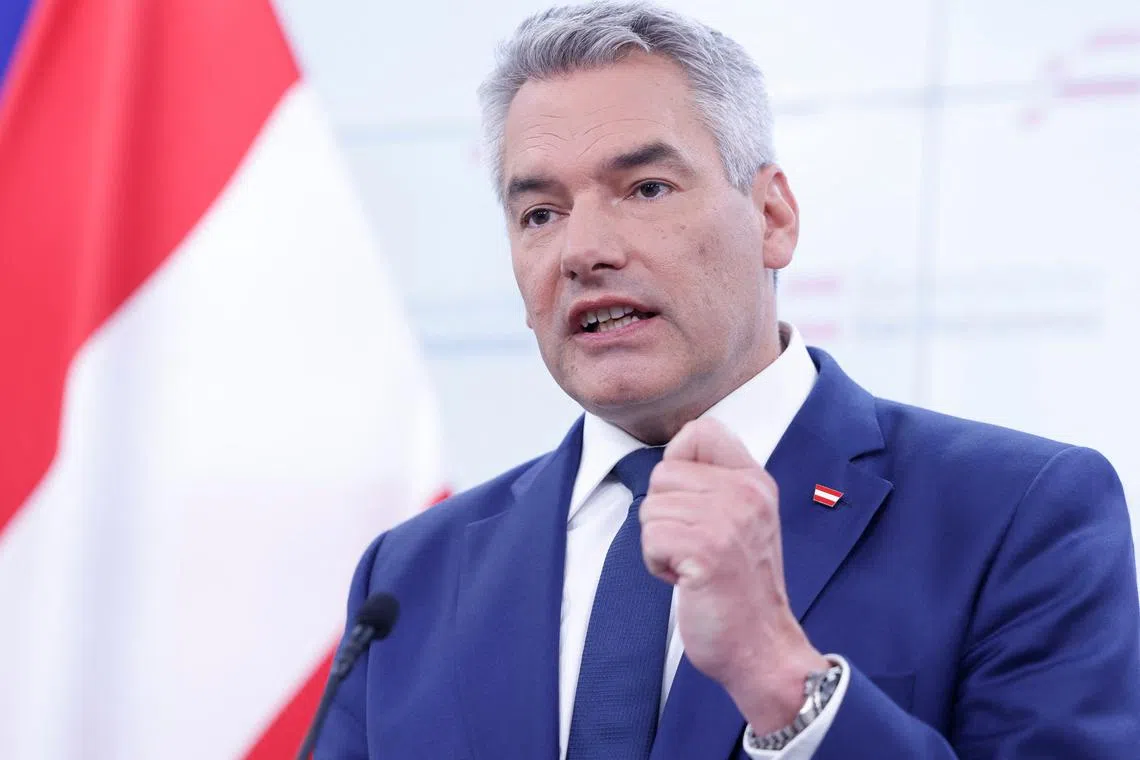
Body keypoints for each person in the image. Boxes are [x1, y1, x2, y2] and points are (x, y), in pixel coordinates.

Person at [315, 2, 1140, 758]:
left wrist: (783, 679)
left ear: (773, 217)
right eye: (540, 213)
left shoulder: (1019, 513)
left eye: (645, 188)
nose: (582, 250)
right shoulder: (409, 576)